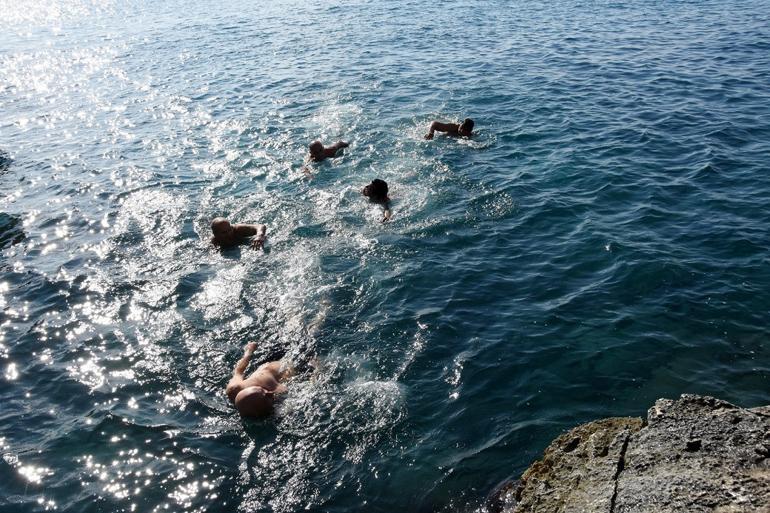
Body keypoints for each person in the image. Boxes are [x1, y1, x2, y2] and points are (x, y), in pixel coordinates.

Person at [226, 342, 293, 418]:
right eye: (267, 396)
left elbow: (238, 371)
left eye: (262, 389)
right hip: (290, 362)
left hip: (267, 360)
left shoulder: (234, 389)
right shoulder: (282, 394)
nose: (270, 393)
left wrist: (249, 351)